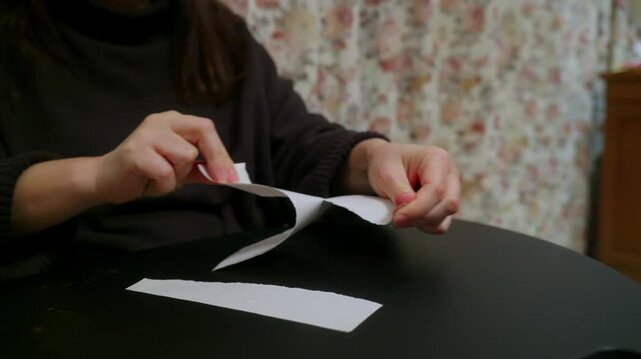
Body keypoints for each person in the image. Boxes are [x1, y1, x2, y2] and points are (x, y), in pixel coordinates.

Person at [0, 0, 460, 275]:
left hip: (232, 291)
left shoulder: (218, 33)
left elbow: (296, 141)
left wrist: (376, 157)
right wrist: (97, 176)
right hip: (69, 305)